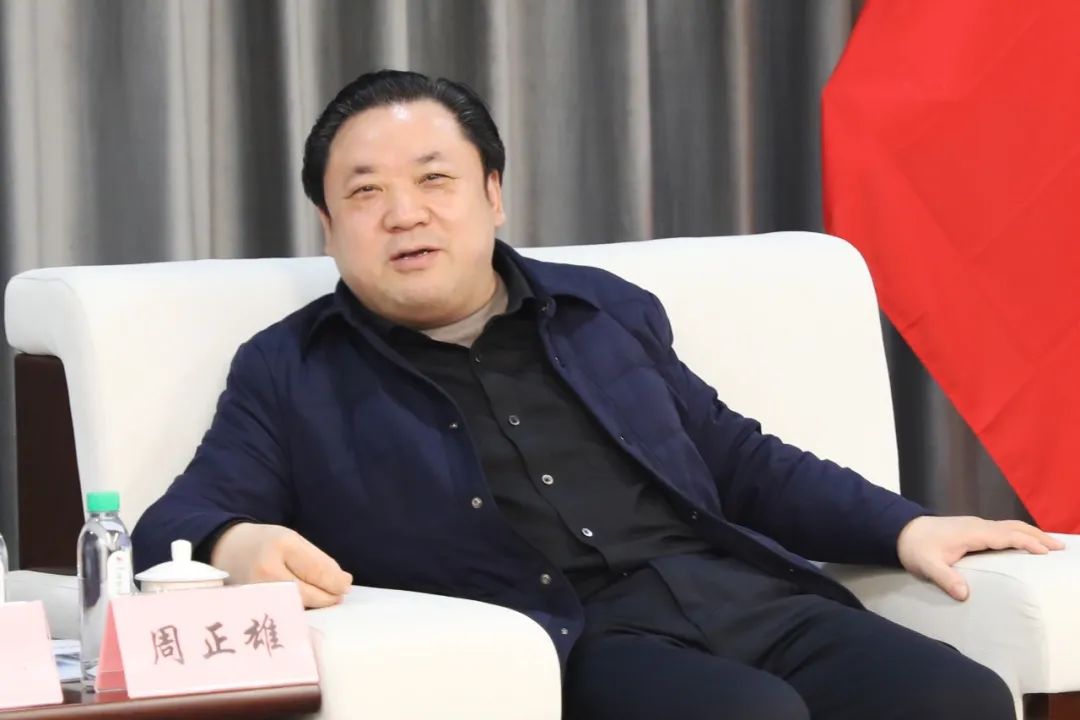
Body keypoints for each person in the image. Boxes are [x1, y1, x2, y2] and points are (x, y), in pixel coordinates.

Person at [133, 69, 1058, 719]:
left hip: (734, 593)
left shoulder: (602, 311)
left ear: (493, 193)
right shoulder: (290, 367)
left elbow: (738, 460)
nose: (405, 213)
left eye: (434, 179)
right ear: (329, 226)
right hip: (570, 638)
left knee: (958, 695)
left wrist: (903, 527)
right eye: (365, 194)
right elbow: (176, 523)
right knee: (747, 715)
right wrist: (236, 544)